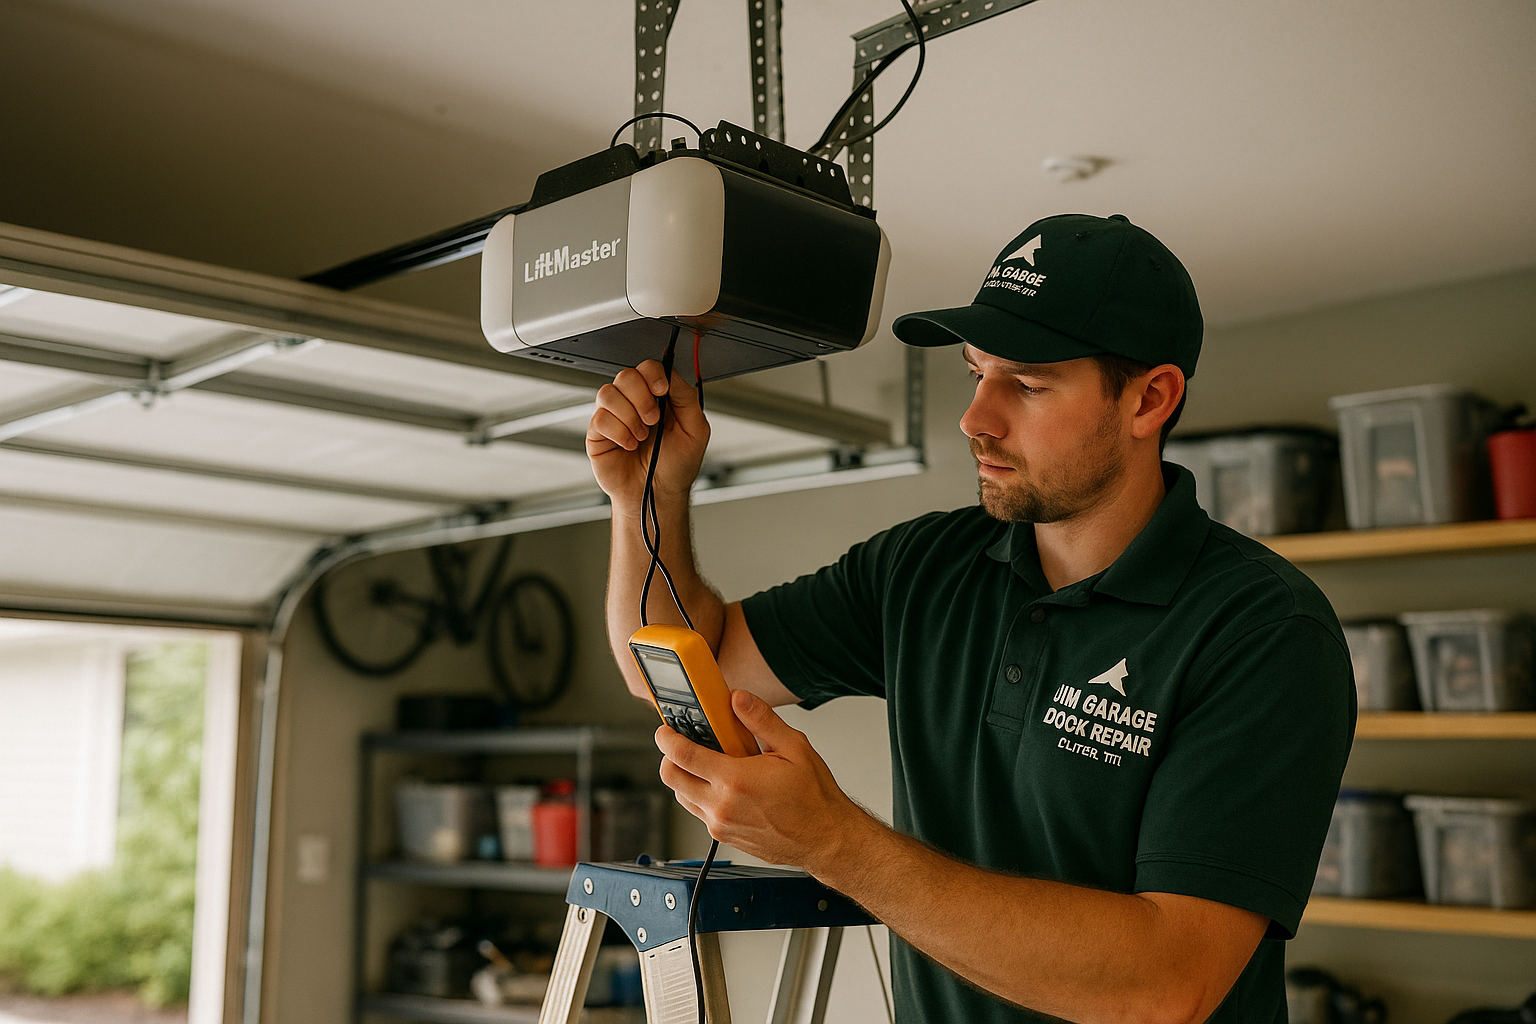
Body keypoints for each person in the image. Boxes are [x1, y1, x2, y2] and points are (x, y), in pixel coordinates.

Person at [585, 213, 1355, 1024]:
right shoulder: (924, 568)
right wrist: (646, 500)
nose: (975, 418)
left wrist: (834, 842)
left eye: (1026, 385)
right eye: (976, 373)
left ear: (1149, 399)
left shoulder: (1263, 630)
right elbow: (674, 665)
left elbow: (1166, 985)